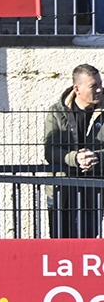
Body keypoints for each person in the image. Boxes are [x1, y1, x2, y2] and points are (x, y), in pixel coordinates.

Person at [43, 63, 104, 238]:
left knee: (89, 242)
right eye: (94, 86)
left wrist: (96, 157)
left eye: (100, 84)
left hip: (95, 190)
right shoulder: (57, 112)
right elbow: (50, 151)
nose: (99, 90)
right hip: (62, 189)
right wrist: (75, 158)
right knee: (60, 243)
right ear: (77, 89)